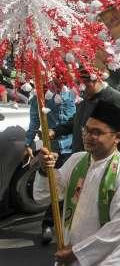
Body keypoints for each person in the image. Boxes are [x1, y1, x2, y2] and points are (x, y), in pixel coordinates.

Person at [34, 100, 120, 265]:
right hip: (68, 254)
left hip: (104, 261)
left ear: (117, 137)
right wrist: (44, 168)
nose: (89, 137)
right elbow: (46, 196)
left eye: (97, 132)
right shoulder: (77, 161)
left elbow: (118, 230)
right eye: (87, 130)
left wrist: (77, 253)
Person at [50, 69, 120, 168]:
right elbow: (77, 121)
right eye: (77, 83)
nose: (80, 88)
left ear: (96, 80)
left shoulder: (116, 100)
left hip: (104, 166)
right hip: (81, 163)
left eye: (84, 83)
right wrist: (55, 131)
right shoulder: (85, 99)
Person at [24, 79, 76, 245]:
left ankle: (70, 226)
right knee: (53, 188)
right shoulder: (39, 97)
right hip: (52, 150)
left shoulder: (73, 92)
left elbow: (78, 120)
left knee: (73, 189)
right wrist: (28, 143)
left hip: (73, 148)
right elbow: (34, 120)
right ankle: (48, 223)